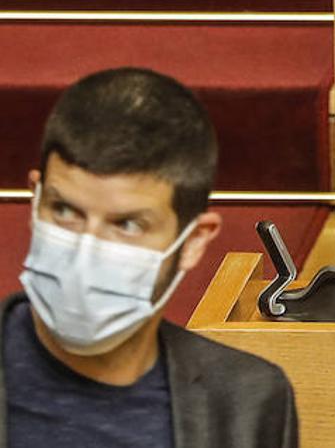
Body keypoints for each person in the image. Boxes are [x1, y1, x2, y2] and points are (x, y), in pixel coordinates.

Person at [0, 68, 298, 447]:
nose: (85, 250)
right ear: (35, 198)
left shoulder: (246, 402)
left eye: (127, 224)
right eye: (64, 211)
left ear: (193, 241)